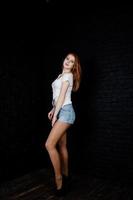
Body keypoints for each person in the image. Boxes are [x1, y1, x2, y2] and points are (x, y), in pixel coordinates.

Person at [45, 52, 82, 196]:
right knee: (61, 146)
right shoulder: (61, 76)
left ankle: (59, 181)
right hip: (61, 110)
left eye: (71, 61)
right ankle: (67, 177)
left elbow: (61, 97)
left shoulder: (68, 76)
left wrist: (55, 115)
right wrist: (53, 109)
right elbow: (59, 96)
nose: (68, 61)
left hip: (66, 112)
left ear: (73, 66)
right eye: (67, 59)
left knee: (49, 145)